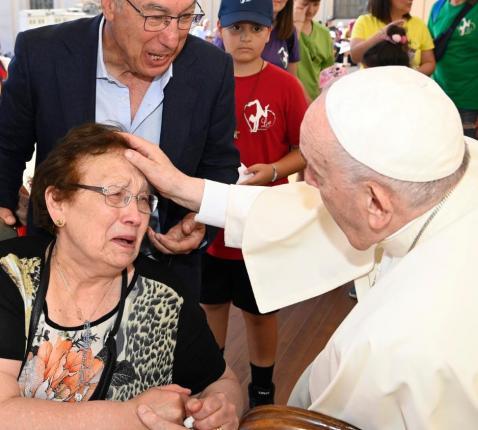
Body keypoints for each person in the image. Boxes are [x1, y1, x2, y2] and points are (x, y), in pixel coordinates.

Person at [122, 66, 478, 429]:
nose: (305, 185)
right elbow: (299, 208)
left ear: (376, 203)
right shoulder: (449, 164)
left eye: (317, 175)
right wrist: (185, 187)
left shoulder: (404, 350)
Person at [0, 123, 242, 430]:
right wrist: (129, 416)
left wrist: (221, 406)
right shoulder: (11, 274)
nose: (135, 215)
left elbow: (221, 381)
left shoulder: (164, 297)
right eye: (115, 194)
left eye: (144, 200)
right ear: (57, 202)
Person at [0, 0, 240, 296]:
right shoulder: (43, 53)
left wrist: (200, 221)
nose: (172, 38)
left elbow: (220, 164)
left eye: (186, 17)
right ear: (110, 6)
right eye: (155, 17)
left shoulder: (211, 68)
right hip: (58, 277)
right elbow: (7, 146)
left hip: (166, 281)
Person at [204, 0, 307, 409]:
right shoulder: (205, 81)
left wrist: (275, 170)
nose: (244, 37)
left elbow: (304, 149)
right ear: (219, 29)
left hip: (263, 219)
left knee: (259, 308)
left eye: (254, 28)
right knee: (211, 301)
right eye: (235, 28)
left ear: (270, 32)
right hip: (212, 212)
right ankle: (211, 376)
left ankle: (262, 389)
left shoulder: (285, 86)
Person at [428, 0, 478, 138]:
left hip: (470, 104)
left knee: (469, 155)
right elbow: (428, 49)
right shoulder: (437, 8)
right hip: (438, 99)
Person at [214, 0, 301, 74]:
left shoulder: (289, 31)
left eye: (256, 29)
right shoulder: (227, 36)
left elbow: (292, 76)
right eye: (237, 27)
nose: (246, 38)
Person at [350, 0, 436, 75]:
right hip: (372, 88)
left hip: (407, 89)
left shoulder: (418, 24)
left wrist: (409, 76)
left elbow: (429, 62)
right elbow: (355, 56)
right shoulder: (364, 22)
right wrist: (380, 35)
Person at [293, 0, 335, 100]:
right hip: (290, 99)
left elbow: (327, 73)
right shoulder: (283, 31)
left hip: (315, 101)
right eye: (304, 4)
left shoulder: (324, 33)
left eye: (316, 4)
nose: (311, 10)